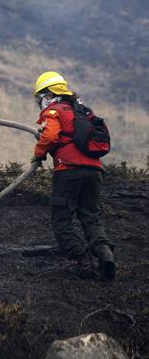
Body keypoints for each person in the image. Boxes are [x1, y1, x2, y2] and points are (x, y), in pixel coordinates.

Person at [32, 71, 115, 280]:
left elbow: (50, 136)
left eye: (41, 97)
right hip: (95, 171)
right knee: (91, 216)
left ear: (48, 95)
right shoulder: (84, 112)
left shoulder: (55, 110)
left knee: (62, 218)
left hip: (69, 171)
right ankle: (105, 254)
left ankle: (83, 261)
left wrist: (38, 155)